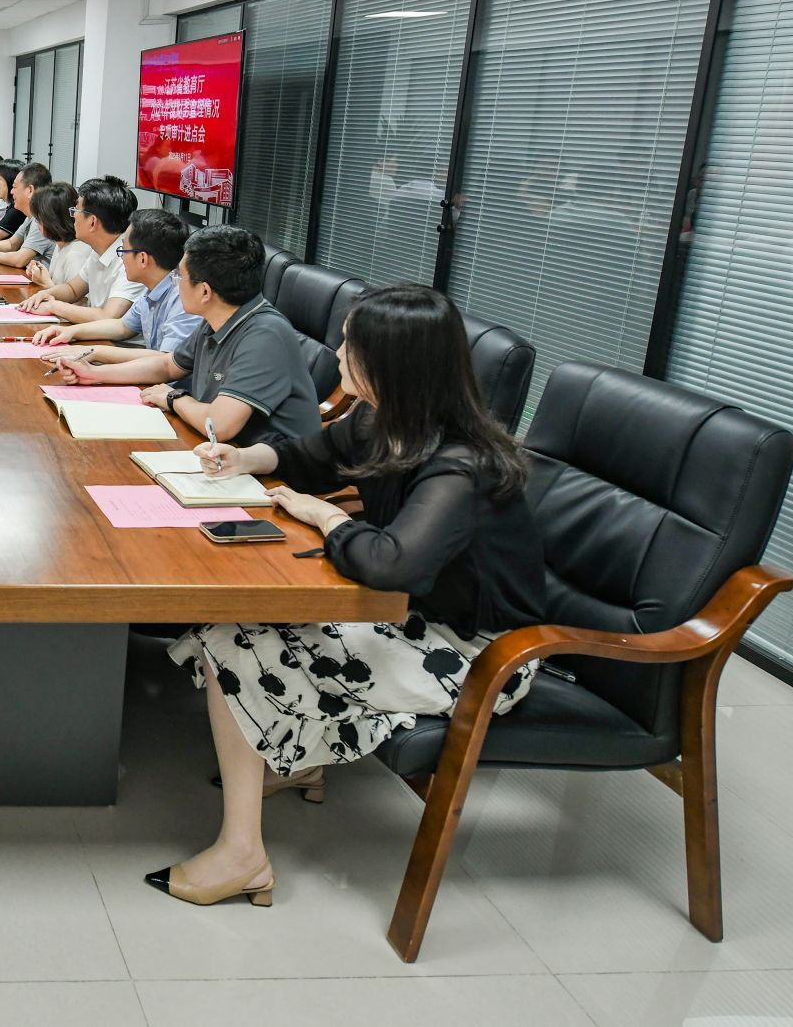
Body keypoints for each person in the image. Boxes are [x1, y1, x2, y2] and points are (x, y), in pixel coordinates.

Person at [144, 285, 546, 909]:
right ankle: (297, 762)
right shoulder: (382, 420)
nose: (335, 352)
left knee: (233, 642)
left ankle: (243, 854)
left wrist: (326, 518)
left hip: (481, 654)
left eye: (350, 344)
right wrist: (241, 459)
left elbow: (390, 563)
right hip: (414, 617)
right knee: (235, 625)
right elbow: (309, 458)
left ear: (389, 364)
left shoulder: (462, 463)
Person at [55, 224, 320, 446]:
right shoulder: (216, 319)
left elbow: (219, 425)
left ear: (204, 292)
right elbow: (167, 365)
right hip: (222, 452)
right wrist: (94, 374)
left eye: (180, 277)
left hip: (275, 475)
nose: (175, 283)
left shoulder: (265, 335)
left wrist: (174, 399)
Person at [33, 208, 198, 361]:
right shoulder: (152, 290)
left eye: (124, 251)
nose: (121, 257)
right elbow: (122, 326)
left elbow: (166, 359)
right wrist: (70, 331)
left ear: (143, 259)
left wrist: (92, 352)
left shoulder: (182, 297)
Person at [21, 176, 144, 324]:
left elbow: (108, 317)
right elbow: (72, 289)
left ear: (92, 222)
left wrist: (54, 306)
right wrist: (45, 294)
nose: (73, 217)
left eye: (76, 211)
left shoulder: (128, 258)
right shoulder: (98, 250)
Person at [0, 175, 69, 279]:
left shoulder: (43, 221)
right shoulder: (31, 218)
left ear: (30, 190)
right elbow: (11, 243)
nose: (11, 192)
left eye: (14, 187)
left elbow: (20, 259)